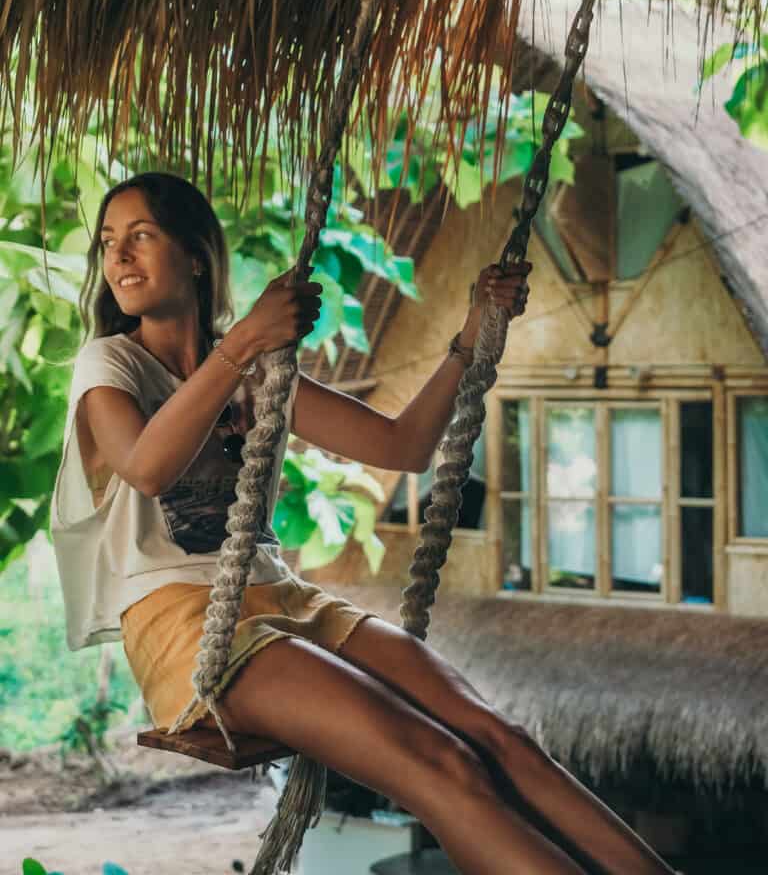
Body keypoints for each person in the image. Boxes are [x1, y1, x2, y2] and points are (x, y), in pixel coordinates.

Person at [51, 172, 675, 875]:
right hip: (187, 624)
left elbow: (401, 447)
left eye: (141, 236)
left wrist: (469, 337)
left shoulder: (261, 370)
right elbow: (146, 468)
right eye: (108, 243)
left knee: (498, 739)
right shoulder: (109, 363)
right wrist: (246, 339)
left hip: (287, 599)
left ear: (196, 255)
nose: (119, 258)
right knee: (438, 764)